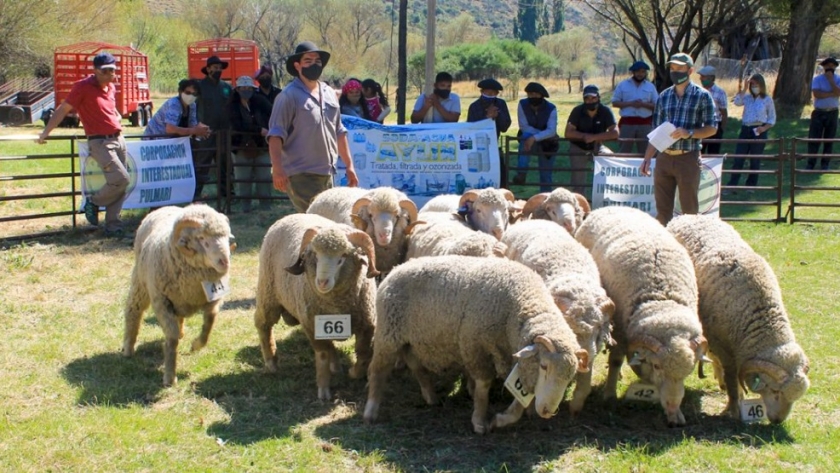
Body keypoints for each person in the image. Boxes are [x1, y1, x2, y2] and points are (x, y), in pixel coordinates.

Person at [37, 52, 129, 235]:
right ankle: (93, 202)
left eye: (113, 70)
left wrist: (117, 119)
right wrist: (45, 132)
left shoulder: (111, 87)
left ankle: (114, 226)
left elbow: (110, 109)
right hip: (100, 141)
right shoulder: (82, 87)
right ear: (95, 71)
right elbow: (63, 109)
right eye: (106, 71)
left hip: (118, 138)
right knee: (121, 179)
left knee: (121, 184)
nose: (111, 74)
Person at [267, 41, 359, 212]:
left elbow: (339, 131)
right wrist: (277, 169)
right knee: (314, 221)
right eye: (308, 61)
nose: (314, 64)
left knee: (324, 222)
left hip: (327, 172)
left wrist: (349, 165)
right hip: (301, 173)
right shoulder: (288, 96)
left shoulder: (329, 93)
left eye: (317, 61)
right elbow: (275, 135)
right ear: (297, 65)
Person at [640, 52, 716, 226]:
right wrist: (646, 158)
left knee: (689, 211)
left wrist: (689, 132)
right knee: (662, 211)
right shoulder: (664, 96)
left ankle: (690, 247)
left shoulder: (702, 96)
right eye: (673, 68)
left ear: (690, 70)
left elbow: (712, 128)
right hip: (664, 157)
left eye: (680, 68)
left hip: (687, 157)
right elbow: (656, 131)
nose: (675, 72)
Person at [229, 75, 274, 213]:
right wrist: (258, 129)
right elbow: (235, 125)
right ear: (237, 89)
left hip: (262, 146)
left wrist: (269, 129)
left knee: (264, 177)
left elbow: (273, 113)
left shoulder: (261, 102)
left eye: (249, 88)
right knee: (243, 178)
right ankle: (245, 207)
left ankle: (265, 207)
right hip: (241, 146)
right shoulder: (231, 106)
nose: (246, 90)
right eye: (243, 88)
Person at [565, 85, 618, 197]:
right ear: (584, 99)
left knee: (610, 159)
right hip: (578, 146)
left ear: (598, 98)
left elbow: (615, 132)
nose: (590, 101)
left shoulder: (605, 111)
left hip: (597, 145)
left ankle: (605, 195)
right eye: (587, 98)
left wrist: (595, 137)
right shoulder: (577, 111)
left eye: (593, 98)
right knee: (578, 180)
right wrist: (584, 136)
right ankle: (579, 205)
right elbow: (568, 132)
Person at [726, 73, 776, 192]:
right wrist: (744, 88)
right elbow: (737, 102)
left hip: (759, 130)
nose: (754, 87)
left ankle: (751, 185)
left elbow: (772, 118)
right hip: (745, 129)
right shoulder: (747, 98)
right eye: (752, 84)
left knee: (755, 160)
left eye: (756, 84)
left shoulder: (767, 99)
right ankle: (732, 185)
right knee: (739, 158)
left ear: (761, 85)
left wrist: (764, 128)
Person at [195, 55, 233, 198]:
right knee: (203, 163)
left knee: (225, 164)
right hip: (206, 132)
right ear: (208, 68)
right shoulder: (200, 87)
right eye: (215, 67)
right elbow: (195, 108)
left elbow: (232, 108)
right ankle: (196, 193)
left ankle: (227, 193)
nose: (218, 70)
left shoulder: (226, 88)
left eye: (220, 68)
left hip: (223, 132)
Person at [513, 82, 558, 191]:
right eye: (530, 94)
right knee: (525, 136)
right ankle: (521, 173)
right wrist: (539, 135)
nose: (532, 97)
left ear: (541, 95)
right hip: (531, 138)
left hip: (548, 143)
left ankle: (546, 198)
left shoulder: (551, 108)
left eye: (535, 94)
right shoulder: (522, 104)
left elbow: (551, 130)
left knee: (545, 174)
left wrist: (534, 137)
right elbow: (524, 126)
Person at [611, 61, 657, 153]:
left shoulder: (650, 87)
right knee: (624, 151)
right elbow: (615, 102)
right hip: (627, 123)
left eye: (643, 72)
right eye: (638, 71)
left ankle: (645, 168)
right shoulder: (623, 85)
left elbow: (657, 105)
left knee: (645, 152)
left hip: (645, 123)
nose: (640, 74)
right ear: (633, 72)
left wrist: (643, 105)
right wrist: (631, 103)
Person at [143, 79, 211, 139]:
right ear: (180, 92)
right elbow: (170, 129)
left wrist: (202, 129)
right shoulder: (174, 104)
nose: (191, 96)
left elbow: (192, 125)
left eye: (194, 94)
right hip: (154, 141)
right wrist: (195, 130)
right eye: (188, 93)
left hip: (170, 142)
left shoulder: (192, 106)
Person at [808, 57, 840, 170]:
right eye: (827, 65)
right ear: (823, 67)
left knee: (829, 139)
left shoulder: (838, 79)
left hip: (832, 112)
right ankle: (810, 163)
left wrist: (831, 81)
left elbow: (839, 93)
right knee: (814, 139)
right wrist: (833, 93)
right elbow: (817, 94)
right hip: (819, 112)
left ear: (835, 67)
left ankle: (825, 164)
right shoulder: (817, 79)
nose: (829, 68)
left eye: (832, 66)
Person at [697, 65, 728, 155]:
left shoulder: (720, 92)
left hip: (715, 124)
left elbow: (724, 112)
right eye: (701, 76)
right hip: (701, 125)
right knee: (699, 151)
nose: (701, 79)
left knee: (713, 152)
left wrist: (721, 129)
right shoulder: (698, 91)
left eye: (704, 77)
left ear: (711, 78)